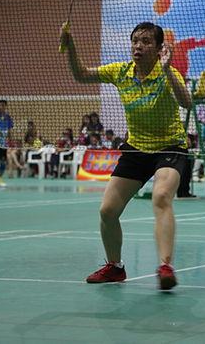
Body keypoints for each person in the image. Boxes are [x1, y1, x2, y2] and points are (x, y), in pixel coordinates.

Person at [61, 21, 192, 290]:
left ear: (159, 48)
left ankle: (165, 265)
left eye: (146, 42)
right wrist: (71, 46)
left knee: (161, 196)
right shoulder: (120, 72)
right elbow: (81, 75)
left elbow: (186, 102)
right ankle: (115, 267)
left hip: (169, 148)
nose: (138, 46)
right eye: (135, 41)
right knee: (107, 210)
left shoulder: (168, 73)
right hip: (136, 149)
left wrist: (168, 70)